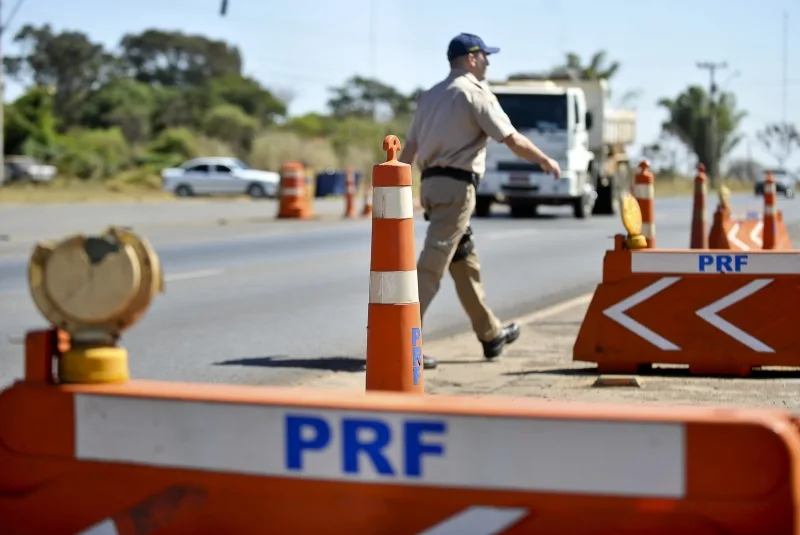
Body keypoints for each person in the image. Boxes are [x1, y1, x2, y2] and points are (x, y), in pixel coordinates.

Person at [398, 33, 562, 370]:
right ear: (472, 58)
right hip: (457, 189)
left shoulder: (430, 96)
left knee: (464, 261)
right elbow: (511, 138)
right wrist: (544, 159)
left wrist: (397, 187)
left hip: (431, 186)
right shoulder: (474, 93)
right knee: (432, 265)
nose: (488, 62)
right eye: (486, 56)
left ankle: (491, 335)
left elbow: (410, 149)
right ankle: (401, 342)